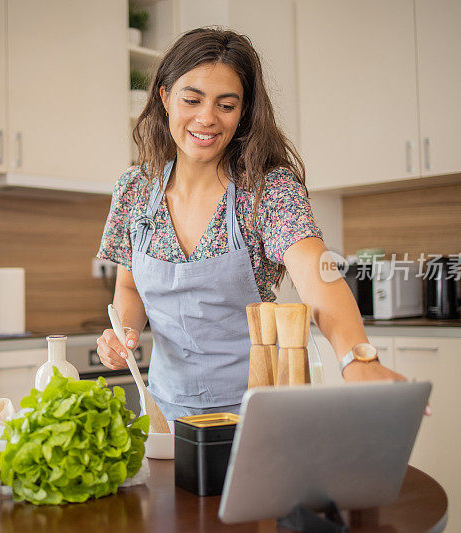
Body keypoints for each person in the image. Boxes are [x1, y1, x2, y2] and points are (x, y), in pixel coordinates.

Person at [96, 27, 412, 421]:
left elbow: (317, 271)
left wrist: (356, 357)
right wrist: (124, 332)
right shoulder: (135, 189)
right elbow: (129, 285)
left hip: (256, 413)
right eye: (192, 99)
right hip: (163, 411)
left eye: (226, 105)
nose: (207, 118)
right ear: (164, 96)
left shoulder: (266, 188)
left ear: (244, 111)